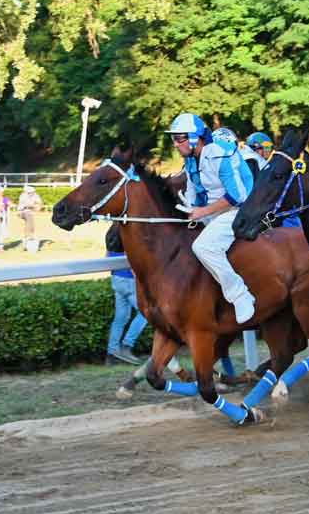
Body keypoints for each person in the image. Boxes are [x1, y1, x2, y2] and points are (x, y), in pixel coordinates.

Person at [167, 114, 257, 324]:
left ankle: (241, 295)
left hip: (240, 210)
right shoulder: (190, 160)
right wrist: (190, 208)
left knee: (203, 247)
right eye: (174, 139)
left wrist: (202, 212)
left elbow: (237, 196)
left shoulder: (218, 154)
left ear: (194, 138)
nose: (175, 143)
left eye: (179, 138)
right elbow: (192, 188)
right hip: (214, 212)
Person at [105, 226, 147, 365]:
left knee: (121, 318)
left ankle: (111, 354)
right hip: (129, 281)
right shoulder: (127, 233)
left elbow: (107, 258)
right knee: (145, 313)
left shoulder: (110, 234)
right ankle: (126, 346)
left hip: (116, 279)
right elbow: (134, 262)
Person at [17, 184, 43, 250]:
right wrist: (34, 206)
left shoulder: (35, 195)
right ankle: (30, 236)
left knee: (29, 224)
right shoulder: (23, 195)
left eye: (32, 192)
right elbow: (26, 205)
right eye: (29, 192)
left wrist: (37, 206)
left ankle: (27, 240)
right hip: (22, 212)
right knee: (29, 220)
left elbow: (39, 203)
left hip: (30, 212)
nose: (31, 193)